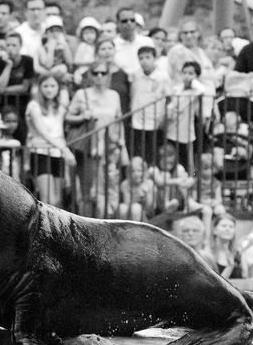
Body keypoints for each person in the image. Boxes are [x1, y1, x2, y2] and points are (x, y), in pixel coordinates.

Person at [66, 60, 124, 217]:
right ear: (90, 75)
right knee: (89, 190)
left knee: (109, 188)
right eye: (96, 73)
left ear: (108, 75)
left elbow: (119, 122)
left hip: (110, 147)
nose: (99, 76)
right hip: (89, 149)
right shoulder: (81, 94)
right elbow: (68, 116)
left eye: (103, 73)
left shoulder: (114, 95)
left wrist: (122, 147)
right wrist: (83, 116)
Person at [25, 72, 76, 207]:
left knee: (58, 201)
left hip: (57, 154)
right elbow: (43, 133)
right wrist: (65, 149)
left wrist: (63, 152)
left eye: (53, 86)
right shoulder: (34, 106)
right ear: (39, 88)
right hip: (41, 152)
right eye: (45, 86)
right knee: (49, 200)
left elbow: (60, 135)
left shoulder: (59, 107)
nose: (49, 89)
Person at [130, 45, 171, 166]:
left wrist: (164, 117)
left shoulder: (163, 77)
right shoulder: (136, 75)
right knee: (138, 151)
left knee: (153, 152)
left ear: (154, 58)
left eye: (148, 57)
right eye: (141, 58)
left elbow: (169, 98)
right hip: (137, 120)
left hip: (155, 121)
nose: (144, 61)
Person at [165, 61, 206, 171]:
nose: (187, 76)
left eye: (191, 73)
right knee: (172, 160)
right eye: (184, 73)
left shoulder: (196, 90)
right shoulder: (177, 89)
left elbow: (202, 89)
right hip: (172, 129)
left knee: (188, 163)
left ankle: (191, 180)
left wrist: (194, 81)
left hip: (186, 133)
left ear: (197, 76)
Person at [113, 7, 155, 75]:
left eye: (132, 20)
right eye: (124, 21)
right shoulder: (113, 45)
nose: (129, 23)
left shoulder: (147, 42)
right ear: (117, 23)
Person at [118, 156, 155, 221]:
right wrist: (137, 196)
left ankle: (137, 230)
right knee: (122, 207)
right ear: (129, 172)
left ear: (145, 171)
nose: (136, 174)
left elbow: (150, 208)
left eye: (139, 171)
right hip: (129, 215)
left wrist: (147, 194)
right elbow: (127, 203)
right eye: (133, 171)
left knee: (136, 208)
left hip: (146, 217)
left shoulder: (149, 183)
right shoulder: (125, 184)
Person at [203, 214, 239, 278]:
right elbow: (214, 284)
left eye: (231, 227)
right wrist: (230, 266)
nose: (228, 229)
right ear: (215, 230)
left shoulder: (238, 254)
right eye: (224, 226)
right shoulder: (206, 254)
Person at [14, 0, 46, 67]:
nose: (36, 13)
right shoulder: (18, 33)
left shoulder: (49, 29)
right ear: (25, 12)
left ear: (44, 11)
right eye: (32, 9)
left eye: (39, 9)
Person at [73, 17, 101, 83]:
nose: (89, 36)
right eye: (86, 33)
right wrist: (90, 62)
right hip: (83, 71)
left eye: (91, 33)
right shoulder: (83, 45)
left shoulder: (96, 46)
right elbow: (76, 61)